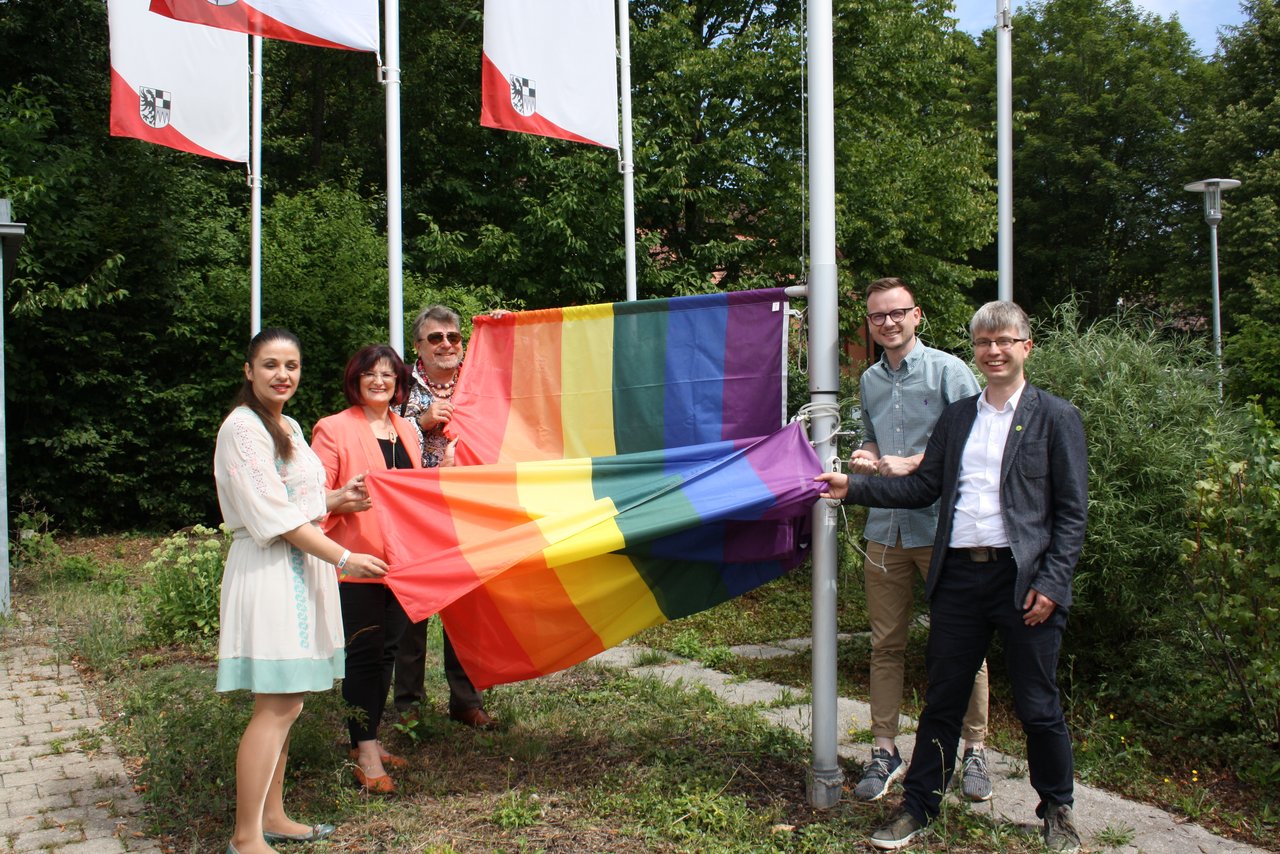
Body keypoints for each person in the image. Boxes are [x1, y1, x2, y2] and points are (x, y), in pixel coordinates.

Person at [817, 301, 1088, 853]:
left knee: (1039, 704)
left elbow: (1072, 514)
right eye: (984, 342)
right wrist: (855, 487)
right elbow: (923, 487)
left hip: (1024, 581)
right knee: (942, 699)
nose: (994, 351)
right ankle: (918, 807)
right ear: (976, 350)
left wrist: (1053, 584)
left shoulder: (1056, 417)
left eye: (1005, 341)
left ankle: (1057, 811)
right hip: (960, 577)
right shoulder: (959, 416)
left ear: (1025, 347)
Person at [214, 328, 388, 854]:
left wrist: (338, 499)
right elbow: (273, 515)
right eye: (270, 365)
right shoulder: (242, 430)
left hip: (299, 566)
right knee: (278, 705)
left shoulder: (285, 423)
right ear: (249, 370)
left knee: (288, 703)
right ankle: (246, 836)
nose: (282, 375)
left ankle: (274, 815)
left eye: (291, 365)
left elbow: (301, 502)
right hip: (270, 571)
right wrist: (345, 554)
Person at [847, 278, 990, 803]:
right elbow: (871, 435)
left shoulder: (949, 371)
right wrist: (866, 455)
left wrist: (917, 462)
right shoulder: (869, 380)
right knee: (886, 645)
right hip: (885, 529)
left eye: (897, 313)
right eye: (878, 316)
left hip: (942, 530)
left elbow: (978, 444)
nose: (887, 322)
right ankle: (884, 751)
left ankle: (973, 753)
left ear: (917, 316)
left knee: (963, 647)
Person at [311, 344, 425, 794]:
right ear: (355, 380)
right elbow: (312, 498)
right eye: (371, 374)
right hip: (356, 561)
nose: (380, 381)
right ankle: (365, 751)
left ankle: (369, 738)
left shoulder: (407, 431)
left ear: (399, 384)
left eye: (389, 375)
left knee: (387, 654)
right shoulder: (333, 429)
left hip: (402, 562)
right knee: (364, 654)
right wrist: (342, 497)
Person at [391, 305, 495, 729]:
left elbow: (525, 382)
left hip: (469, 507)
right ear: (418, 345)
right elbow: (377, 433)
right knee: (413, 609)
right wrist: (421, 422)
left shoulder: (479, 379)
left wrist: (506, 329)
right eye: (435, 338)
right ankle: (409, 705)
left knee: (467, 606)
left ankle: (466, 700)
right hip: (415, 511)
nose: (447, 344)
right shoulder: (396, 384)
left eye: (453, 337)